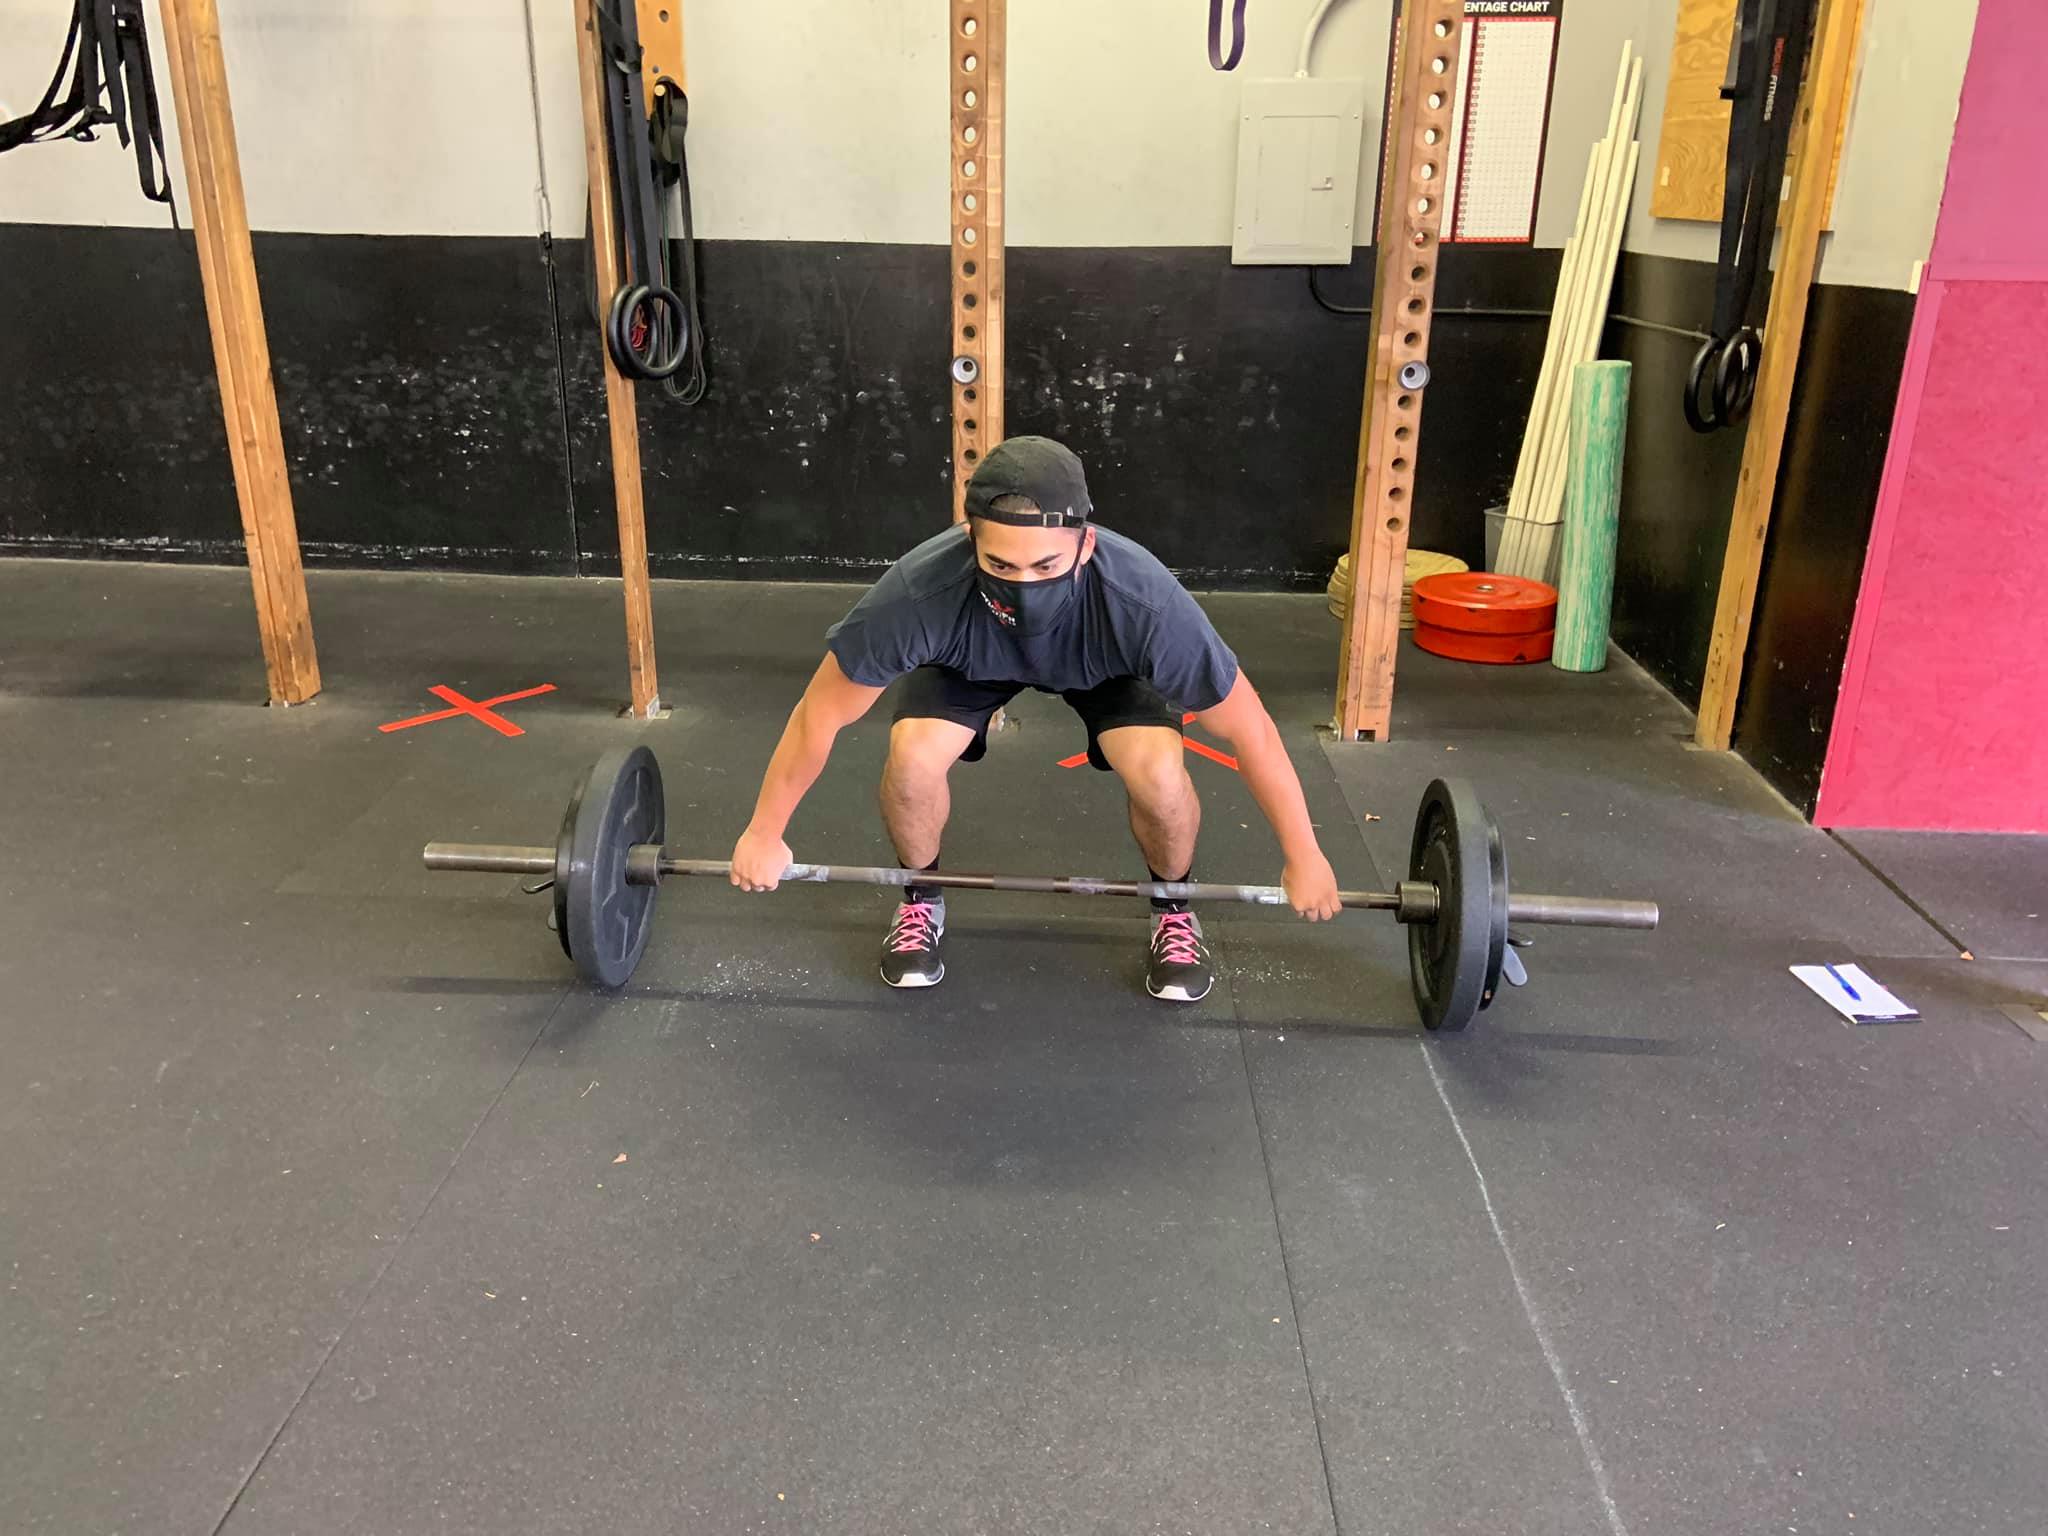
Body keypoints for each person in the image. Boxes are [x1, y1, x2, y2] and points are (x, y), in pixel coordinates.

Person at [728, 435, 1342, 1002]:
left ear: (1086, 545)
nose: (1024, 584)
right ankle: (921, 898)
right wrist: (763, 831)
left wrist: (1304, 855)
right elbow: (818, 716)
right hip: (970, 662)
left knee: (1159, 773)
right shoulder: (918, 594)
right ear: (970, 541)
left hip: (1105, 669)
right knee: (912, 758)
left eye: (1046, 567)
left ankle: (1173, 907)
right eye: (1001, 566)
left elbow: (1251, 731)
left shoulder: (1145, 604)